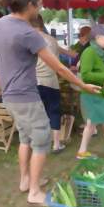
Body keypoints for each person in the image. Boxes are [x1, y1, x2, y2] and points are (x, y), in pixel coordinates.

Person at [0, 0, 100, 206]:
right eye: (40, 3)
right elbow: (60, 67)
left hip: (10, 96)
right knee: (41, 140)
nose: (42, 8)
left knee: (25, 137)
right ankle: (34, 192)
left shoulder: (1, 23)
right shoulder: (28, 33)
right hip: (25, 96)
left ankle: (25, 181)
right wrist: (84, 86)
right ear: (31, 4)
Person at [31, 14, 77, 153]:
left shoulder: (29, 40)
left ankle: (38, 145)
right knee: (54, 112)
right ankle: (56, 144)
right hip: (51, 82)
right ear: (41, 23)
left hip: (34, 83)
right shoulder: (51, 39)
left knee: (38, 114)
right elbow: (70, 55)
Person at [76, 24, 104, 160]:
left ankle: (82, 152)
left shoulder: (102, 52)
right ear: (97, 38)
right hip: (92, 95)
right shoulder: (89, 52)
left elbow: (102, 71)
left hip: (99, 94)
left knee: (90, 124)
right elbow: (85, 75)